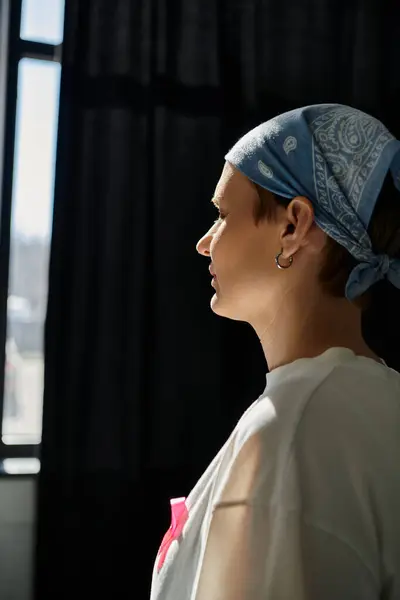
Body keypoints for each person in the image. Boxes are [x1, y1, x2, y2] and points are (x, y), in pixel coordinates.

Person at [150, 104, 400, 600]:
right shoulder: (377, 400)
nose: (205, 243)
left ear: (294, 225)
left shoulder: (292, 434)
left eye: (222, 215)